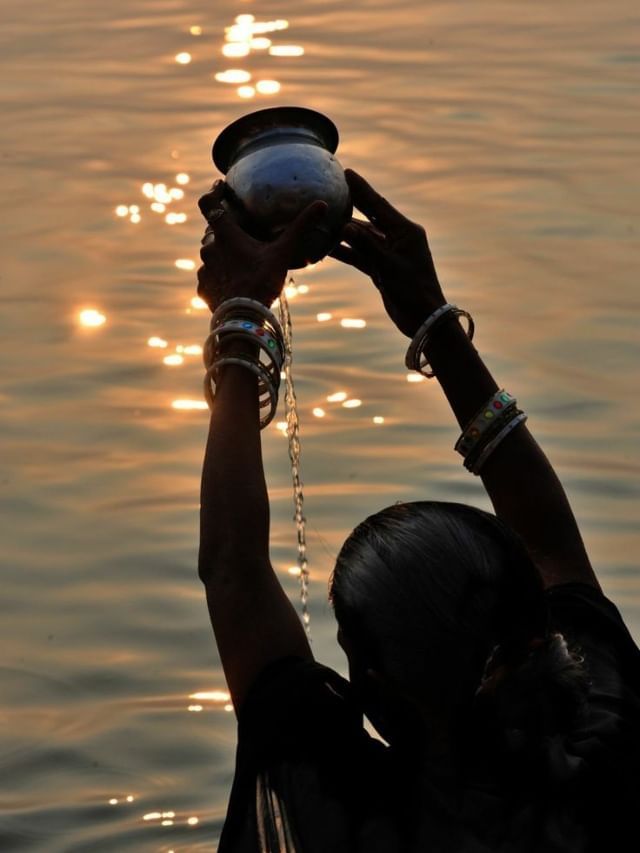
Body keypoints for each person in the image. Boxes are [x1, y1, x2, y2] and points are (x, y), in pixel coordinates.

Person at [195, 170, 640, 852]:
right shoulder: (608, 748)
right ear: (537, 628)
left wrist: (241, 310)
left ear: (373, 691)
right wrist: (434, 323)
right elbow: (549, 534)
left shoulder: (325, 799)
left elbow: (231, 566)